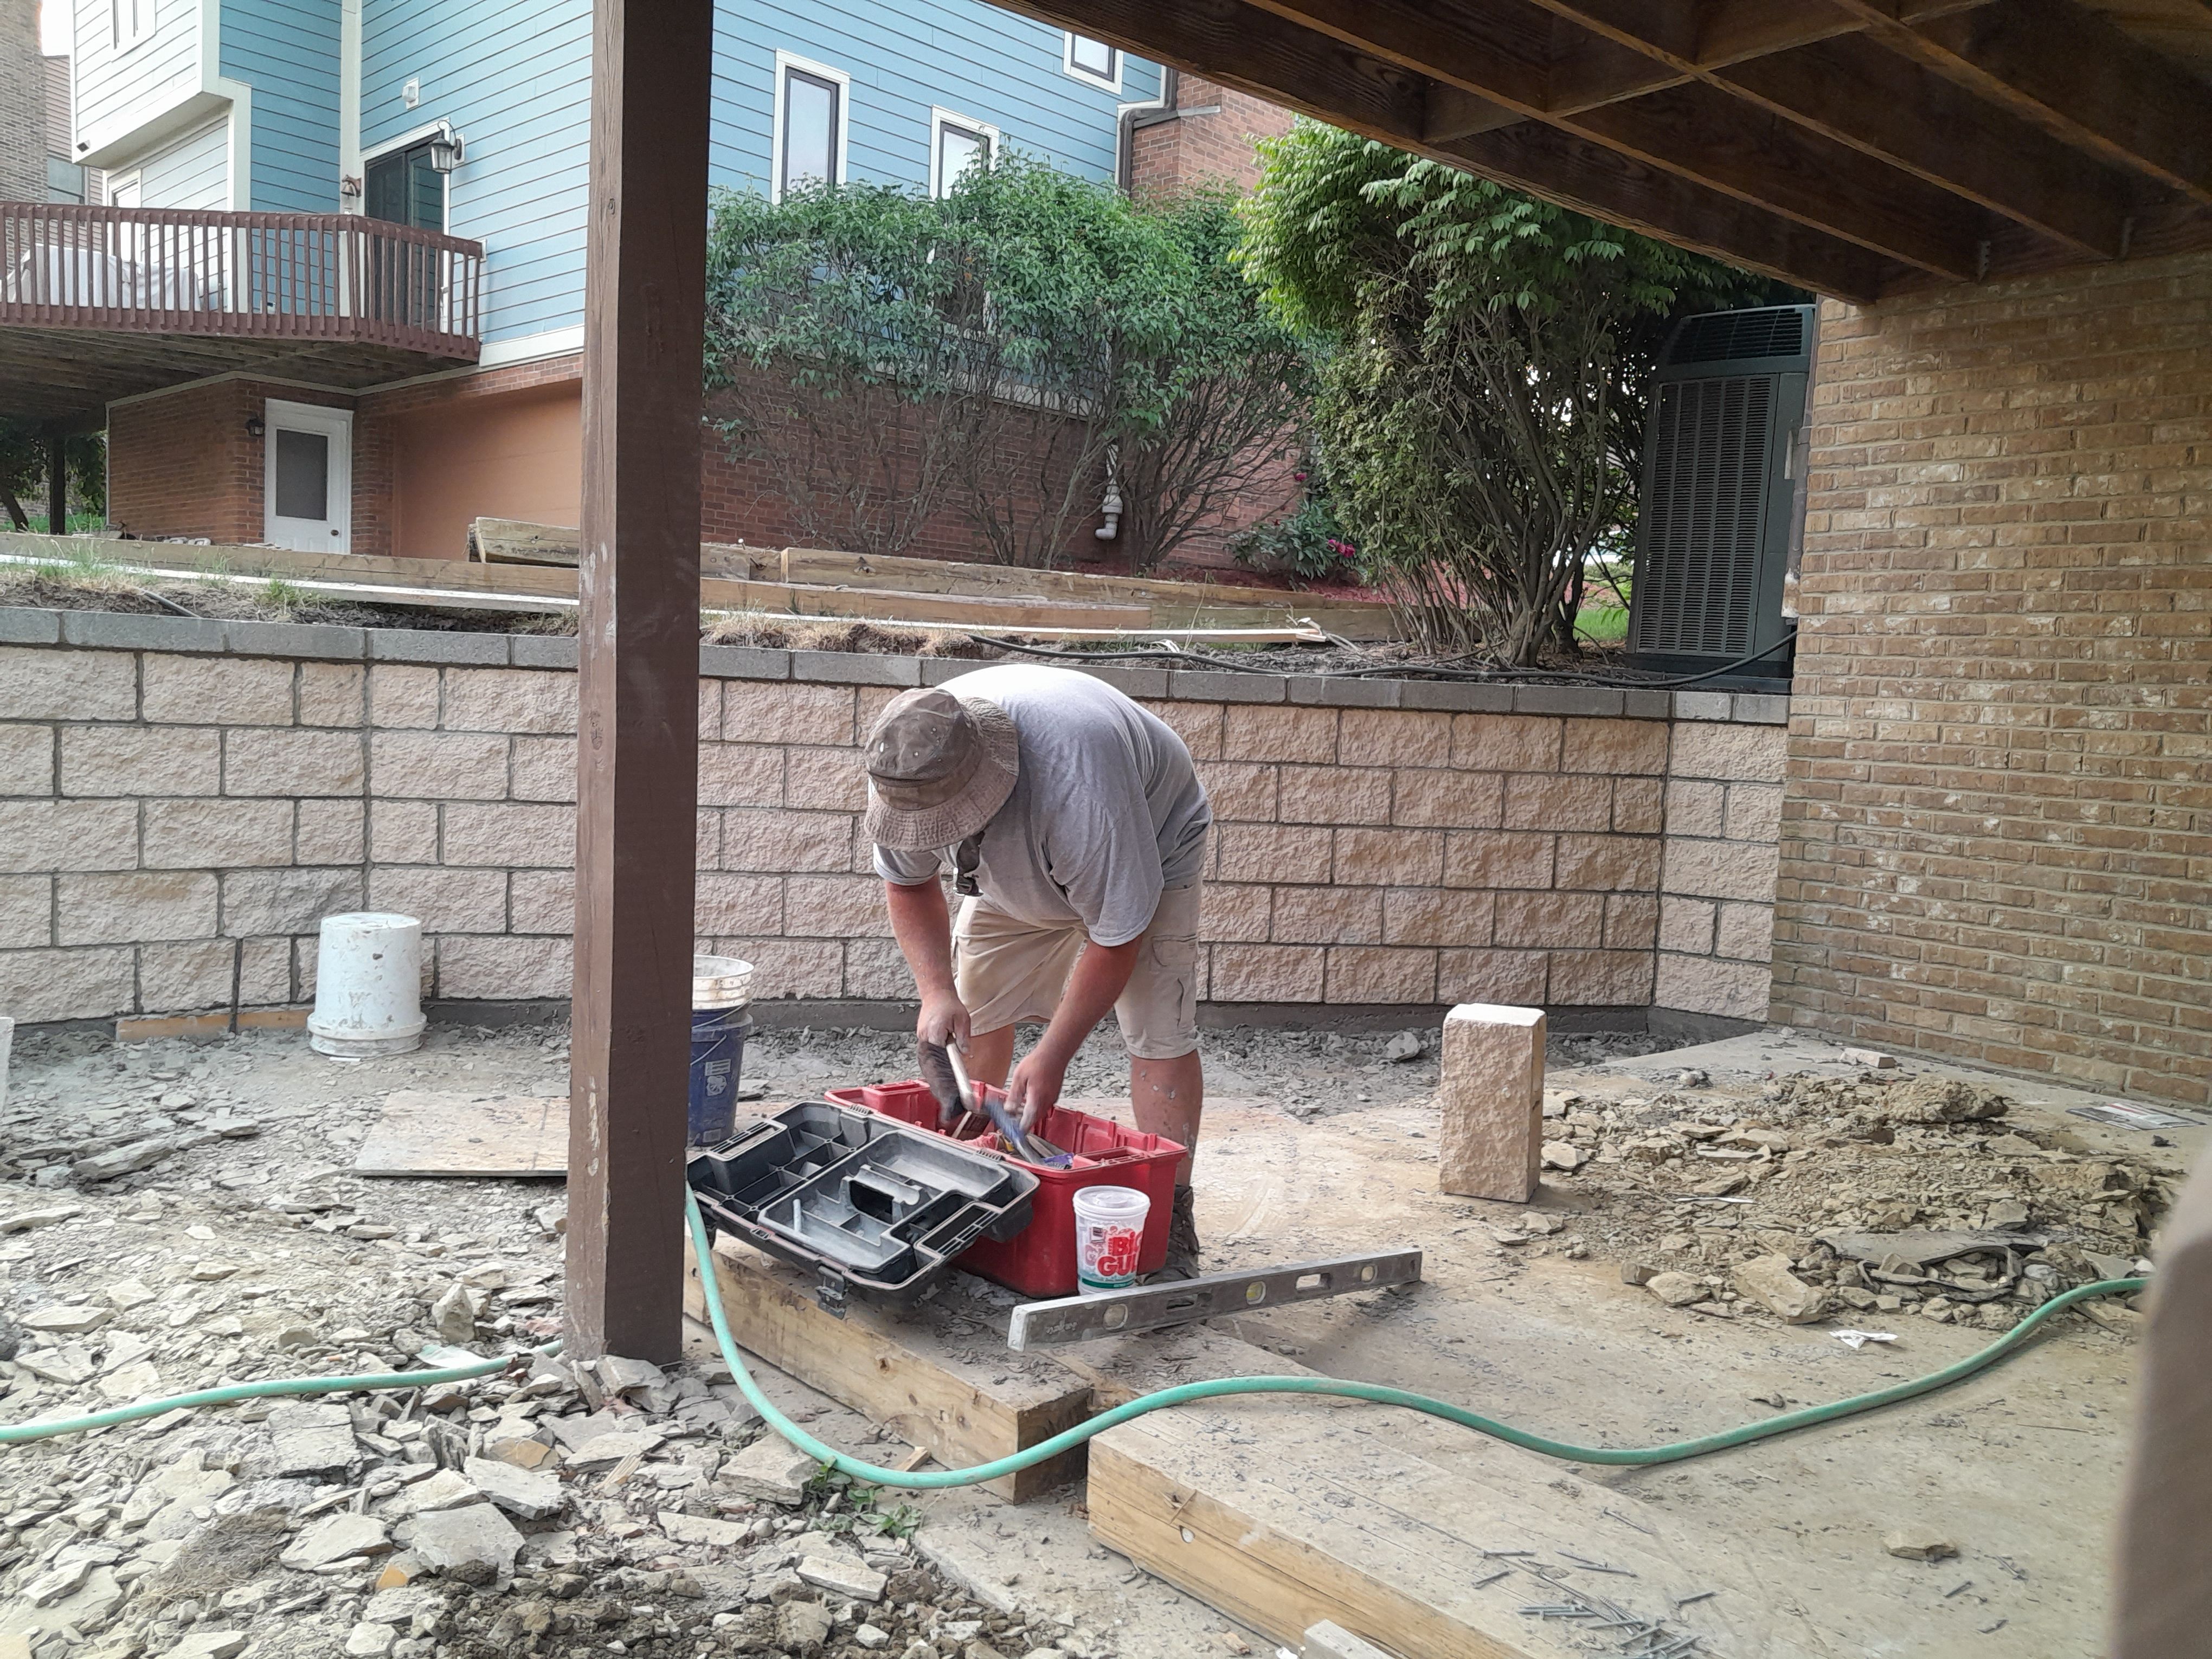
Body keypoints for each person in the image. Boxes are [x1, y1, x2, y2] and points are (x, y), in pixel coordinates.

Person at [863, 663, 1211, 1268]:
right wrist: (936, 991)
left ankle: (1171, 1209)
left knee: (1158, 1029)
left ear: (983, 789)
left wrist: (1052, 1055)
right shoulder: (907, 763)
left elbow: (1116, 938)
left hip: (1151, 839)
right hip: (1011, 868)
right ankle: (972, 1170)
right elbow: (908, 884)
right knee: (970, 1016)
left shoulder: (1080, 790)